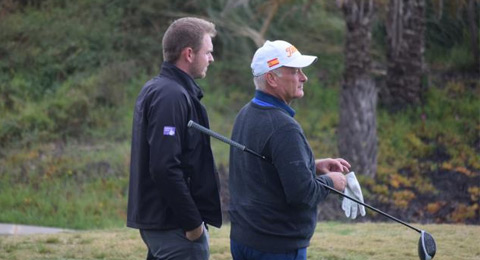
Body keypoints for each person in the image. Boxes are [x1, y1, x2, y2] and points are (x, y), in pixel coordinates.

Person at [228, 40, 352, 260]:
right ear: (272, 78)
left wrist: (311, 166)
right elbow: (302, 193)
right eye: (295, 71)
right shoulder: (284, 128)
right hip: (276, 247)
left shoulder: (245, 114)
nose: (304, 78)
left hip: (243, 240)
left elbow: (264, 169)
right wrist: (333, 182)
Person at [127, 17, 222, 260]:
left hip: (165, 224)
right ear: (189, 54)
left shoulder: (159, 89)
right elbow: (164, 166)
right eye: (208, 52)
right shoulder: (170, 96)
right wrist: (193, 225)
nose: (211, 59)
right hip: (174, 227)